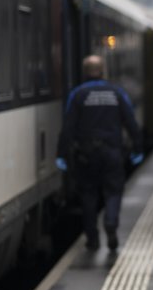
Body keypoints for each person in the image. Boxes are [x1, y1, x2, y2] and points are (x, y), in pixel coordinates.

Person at [58, 55, 143, 251]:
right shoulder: (117, 93)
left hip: (86, 155)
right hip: (113, 152)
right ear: (103, 71)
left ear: (85, 72)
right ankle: (111, 223)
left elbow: (68, 128)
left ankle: (92, 238)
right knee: (113, 191)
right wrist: (138, 148)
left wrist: (61, 154)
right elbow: (131, 123)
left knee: (88, 195)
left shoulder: (77, 95)